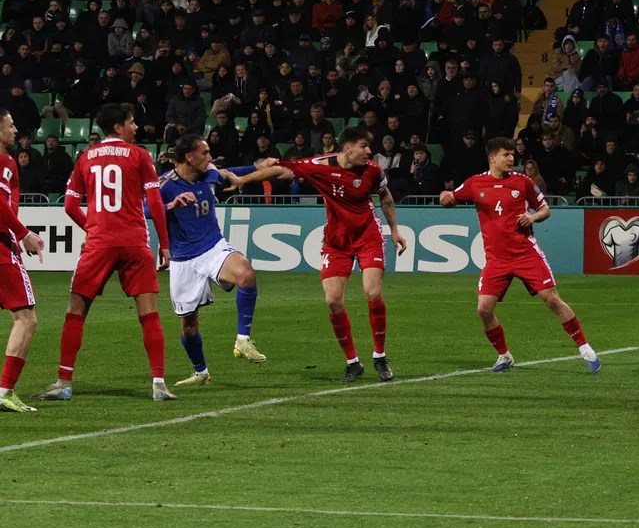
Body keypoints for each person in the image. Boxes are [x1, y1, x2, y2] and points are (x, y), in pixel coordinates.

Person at [233, 126, 407, 383]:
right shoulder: (319, 165)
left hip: (368, 236)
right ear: (348, 148)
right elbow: (282, 169)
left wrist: (394, 229)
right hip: (336, 242)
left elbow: (385, 196)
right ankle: (352, 363)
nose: (369, 152)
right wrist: (242, 180)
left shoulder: (372, 170)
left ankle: (379, 356)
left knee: (372, 292)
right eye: (364, 146)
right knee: (333, 301)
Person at [33, 104, 175, 402]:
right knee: (149, 314)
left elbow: (70, 206)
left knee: (75, 313)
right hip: (135, 242)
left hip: (99, 244)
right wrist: (164, 243)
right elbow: (156, 202)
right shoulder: (139, 155)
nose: (136, 127)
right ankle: (159, 384)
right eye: (132, 122)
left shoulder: (85, 157)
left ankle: (63, 382)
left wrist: (94, 228)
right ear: (119, 126)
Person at [440, 137, 600, 374]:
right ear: (492, 157)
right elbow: (451, 198)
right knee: (484, 309)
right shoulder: (476, 183)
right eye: (506, 154)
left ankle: (585, 348)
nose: (512, 158)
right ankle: (504, 356)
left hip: (525, 253)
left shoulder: (522, 182)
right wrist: (446, 196)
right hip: (496, 259)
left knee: (552, 299)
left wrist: (533, 217)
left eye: (513, 154)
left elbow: (545, 209)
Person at [147, 134, 267, 388]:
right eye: (205, 153)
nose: (210, 158)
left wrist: (259, 167)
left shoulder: (209, 174)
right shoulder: (166, 185)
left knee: (245, 273)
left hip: (213, 247)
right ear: (189, 157)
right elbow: (143, 208)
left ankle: (242, 339)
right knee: (189, 327)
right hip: (183, 260)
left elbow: (230, 172)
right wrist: (171, 205)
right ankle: (201, 372)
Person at [0, 109, 46, 412]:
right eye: (10, 124)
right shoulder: (3, 162)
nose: (16, 130)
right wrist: (22, 233)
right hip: (2, 250)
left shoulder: (10, 163)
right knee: (26, 319)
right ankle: (5, 391)